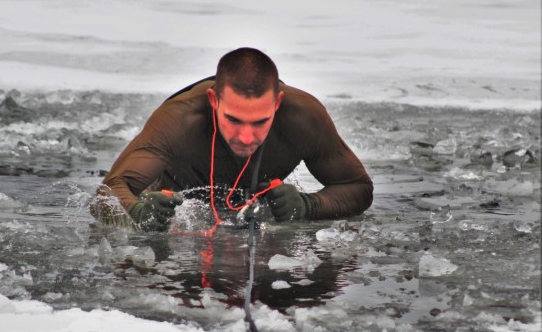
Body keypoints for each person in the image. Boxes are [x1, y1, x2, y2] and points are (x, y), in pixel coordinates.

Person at [91, 47, 373, 231]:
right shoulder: (179, 120)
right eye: (234, 120)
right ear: (214, 100)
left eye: (260, 121)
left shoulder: (304, 118)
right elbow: (106, 193)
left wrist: (307, 205)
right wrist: (140, 213)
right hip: (179, 210)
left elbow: (358, 188)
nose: (247, 137)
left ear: (277, 104)